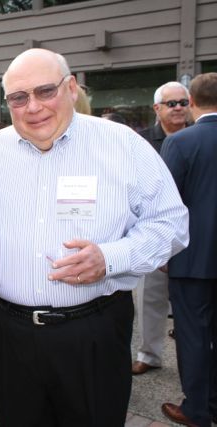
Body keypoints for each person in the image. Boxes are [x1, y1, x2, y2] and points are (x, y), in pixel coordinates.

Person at [0, 48, 189, 426]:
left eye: (45, 91)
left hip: (94, 331)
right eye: (18, 98)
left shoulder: (122, 145)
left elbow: (171, 223)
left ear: (71, 88)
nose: (33, 107)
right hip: (10, 335)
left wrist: (110, 258)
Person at [160, 72, 217, 427]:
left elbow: (166, 205)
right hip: (194, 255)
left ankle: (197, 409)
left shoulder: (181, 142)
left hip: (191, 256)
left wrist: (163, 252)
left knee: (193, 335)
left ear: (192, 102)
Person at [132, 81, 190, 376]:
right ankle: (149, 354)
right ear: (157, 108)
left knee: (192, 303)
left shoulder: (198, 137)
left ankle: (194, 360)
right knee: (149, 299)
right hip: (152, 232)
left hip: (194, 236)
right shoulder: (141, 142)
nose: (178, 108)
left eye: (183, 102)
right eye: (171, 103)